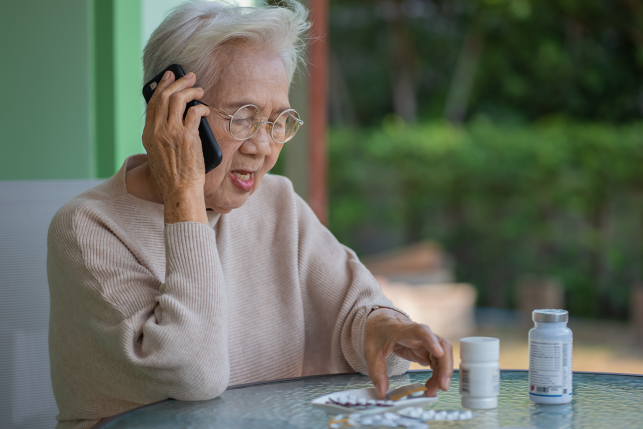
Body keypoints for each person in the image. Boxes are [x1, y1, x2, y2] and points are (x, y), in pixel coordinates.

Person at [47, 1, 453, 428]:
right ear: (174, 113)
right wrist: (183, 193)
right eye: (244, 117)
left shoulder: (276, 203)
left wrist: (385, 329)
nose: (263, 146)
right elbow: (193, 374)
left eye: (279, 120)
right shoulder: (87, 229)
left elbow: (357, 312)